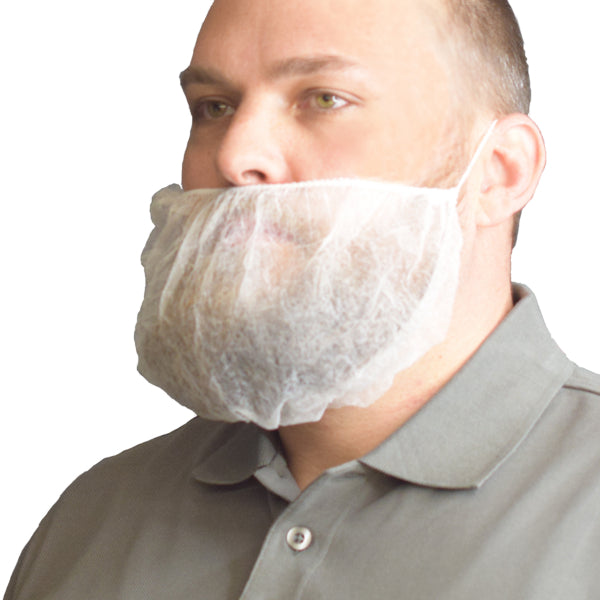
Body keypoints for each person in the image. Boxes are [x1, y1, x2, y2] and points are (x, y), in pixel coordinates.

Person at [5, 0, 600, 598]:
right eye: (214, 107)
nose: (234, 155)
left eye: (324, 99)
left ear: (500, 172)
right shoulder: (94, 522)